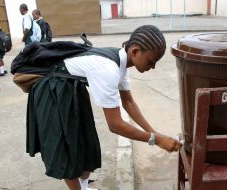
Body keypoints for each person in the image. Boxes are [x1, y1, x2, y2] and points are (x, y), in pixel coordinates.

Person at [23, 25, 182, 190]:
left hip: (71, 89)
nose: (153, 67)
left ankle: (83, 186)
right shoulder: (108, 70)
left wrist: (154, 133)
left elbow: (128, 103)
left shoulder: (121, 63)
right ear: (135, 51)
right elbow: (115, 125)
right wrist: (154, 139)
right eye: (151, 61)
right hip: (53, 91)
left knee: (86, 146)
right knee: (66, 150)